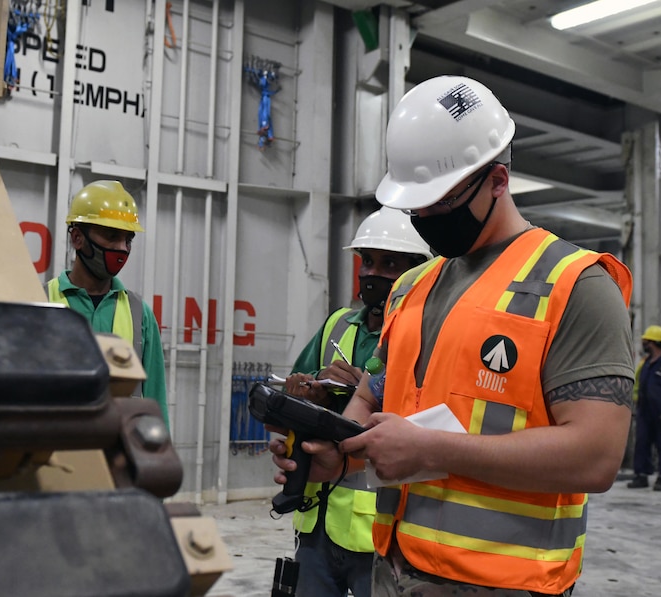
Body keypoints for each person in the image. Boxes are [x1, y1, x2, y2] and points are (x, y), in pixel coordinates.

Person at [270, 75, 634, 596]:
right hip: (393, 573)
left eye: (440, 201)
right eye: (415, 205)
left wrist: (434, 451)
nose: (425, 217)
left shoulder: (576, 284)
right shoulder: (412, 288)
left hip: (506, 585)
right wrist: (337, 459)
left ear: (498, 180)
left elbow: (597, 456)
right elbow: (378, 403)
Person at [284, 208, 431, 597]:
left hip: (379, 531)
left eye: (389, 263)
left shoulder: (423, 336)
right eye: (366, 261)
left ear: (416, 271)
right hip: (317, 519)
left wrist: (358, 397)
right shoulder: (337, 325)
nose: (372, 273)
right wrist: (307, 395)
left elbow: (425, 427)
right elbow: (292, 394)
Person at [47, 180, 168, 428]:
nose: (122, 248)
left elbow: (155, 400)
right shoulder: (42, 301)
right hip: (55, 452)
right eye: (112, 236)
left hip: (117, 456)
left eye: (128, 239)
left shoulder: (140, 313)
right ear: (78, 238)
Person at [627, 325, 661, 489]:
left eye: (646, 341)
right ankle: (641, 476)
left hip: (659, 411)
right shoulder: (645, 363)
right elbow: (638, 383)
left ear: (654, 342)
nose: (644, 344)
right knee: (642, 443)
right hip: (644, 410)